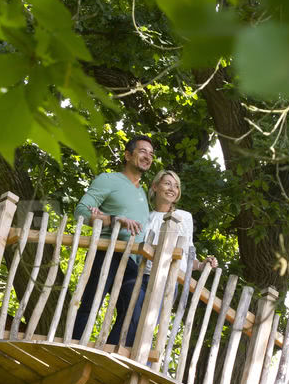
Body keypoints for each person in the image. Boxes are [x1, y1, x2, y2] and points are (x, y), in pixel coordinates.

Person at [72, 135, 155, 346]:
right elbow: (80, 211)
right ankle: (73, 347)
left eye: (151, 154)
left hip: (131, 261)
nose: (148, 157)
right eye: (143, 151)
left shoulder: (142, 193)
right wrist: (113, 219)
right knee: (92, 304)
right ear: (128, 155)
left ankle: (109, 352)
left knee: (134, 311)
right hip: (107, 251)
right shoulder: (108, 180)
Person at [146, 169, 218, 277]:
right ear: (155, 186)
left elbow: (188, 256)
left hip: (171, 280)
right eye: (167, 184)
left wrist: (201, 265)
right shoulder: (145, 217)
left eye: (176, 186)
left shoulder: (184, 217)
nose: (172, 189)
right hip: (144, 276)